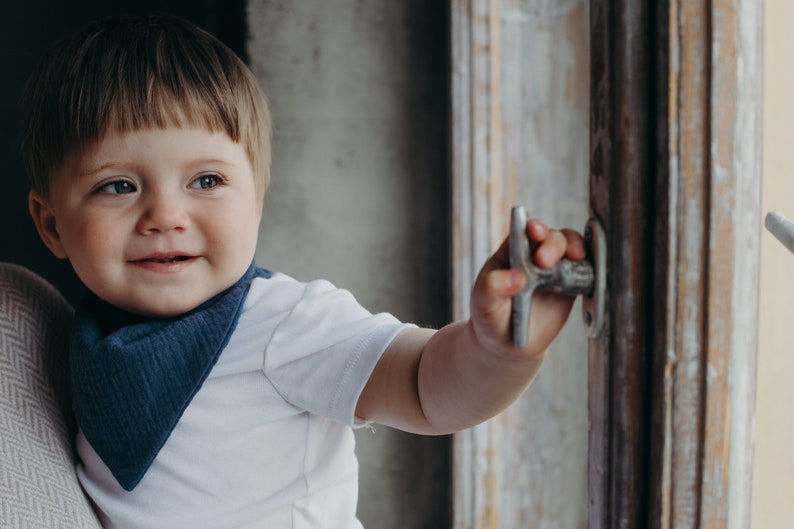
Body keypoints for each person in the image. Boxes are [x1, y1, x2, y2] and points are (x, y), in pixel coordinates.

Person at [20, 13, 585, 529]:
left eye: (207, 181)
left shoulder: (284, 323)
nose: (166, 216)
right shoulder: (81, 339)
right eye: (119, 185)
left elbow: (423, 386)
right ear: (51, 226)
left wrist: (498, 348)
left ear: (257, 200)